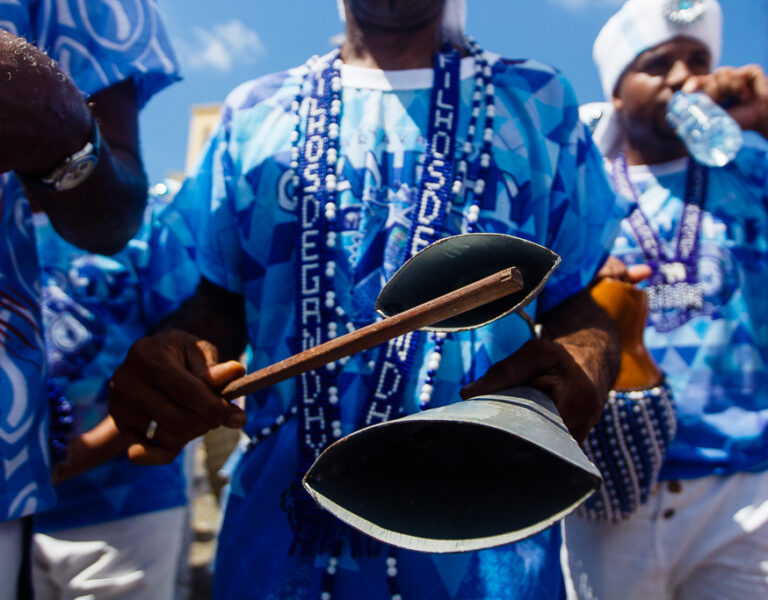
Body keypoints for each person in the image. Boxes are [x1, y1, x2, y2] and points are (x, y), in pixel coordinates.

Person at [108, 0, 628, 598]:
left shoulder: (539, 103)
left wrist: (589, 356)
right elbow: (219, 301)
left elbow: (580, 296)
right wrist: (180, 362)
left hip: (487, 539)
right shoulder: (252, 114)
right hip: (277, 544)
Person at [562, 1, 768, 599]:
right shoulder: (581, 188)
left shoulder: (751, 170)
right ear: (618, 91)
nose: (685, 78)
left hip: (744, 487)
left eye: (699, 61)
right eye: (659, 64)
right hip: (610, 488)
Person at [0, 1, 180, 597]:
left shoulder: (148, 229)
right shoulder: (26, 245)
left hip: (120, 503)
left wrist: (73, 455)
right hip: (37, 498)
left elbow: (174, 351)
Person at [30, 188, 200, 599]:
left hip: (124, 511)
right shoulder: (8, 222)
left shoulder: (144, 222)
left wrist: (78, 456)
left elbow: (188, 348)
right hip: (16, 515)